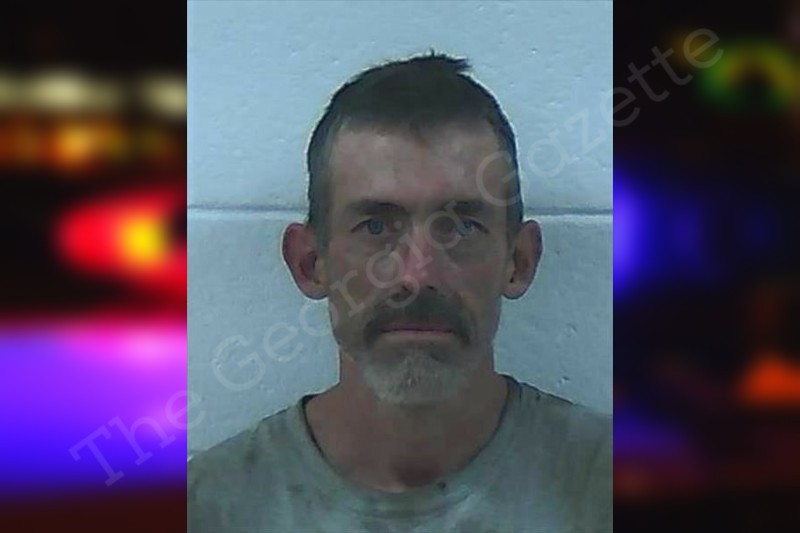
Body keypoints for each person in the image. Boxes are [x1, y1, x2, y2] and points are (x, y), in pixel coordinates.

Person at [188, 52, 612, 532]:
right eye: (375, 226)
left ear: (519, 261)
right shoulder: (208, 507)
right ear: (310, 263)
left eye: (462, 227)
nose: (417, 275)